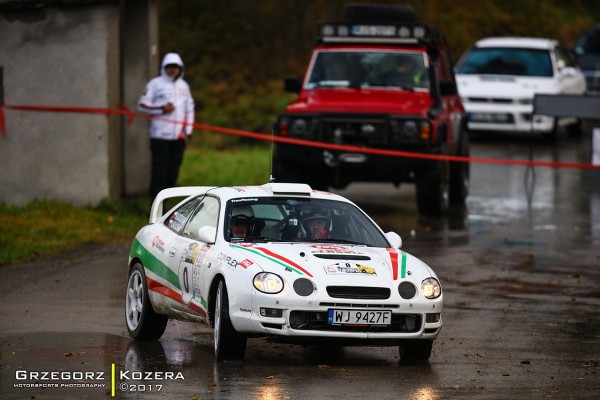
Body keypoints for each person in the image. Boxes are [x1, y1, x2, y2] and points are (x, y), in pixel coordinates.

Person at [138, 52, 195, 201]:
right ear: (164, 67)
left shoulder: (184, 86)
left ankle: (167, 205)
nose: (172, 70)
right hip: (159, 137)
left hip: (178, 138)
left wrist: (188, 131)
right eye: (169, 66)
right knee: (159, 172)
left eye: (175, 67)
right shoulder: (155, 84)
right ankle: (155, 204)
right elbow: (142, 105)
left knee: (173, 172)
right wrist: (162, 108)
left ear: (180, 68)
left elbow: (190, 108)